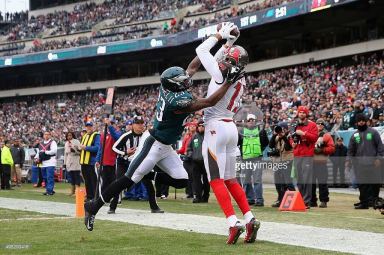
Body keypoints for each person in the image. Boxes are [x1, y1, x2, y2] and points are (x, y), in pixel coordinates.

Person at [84, 46, 244, 232]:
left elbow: (191, 68)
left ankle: (148, 174)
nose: (186, 82)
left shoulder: (170, 87)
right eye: (182, 81)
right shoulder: (176, 102)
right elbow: (209, 102)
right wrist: (228, 82)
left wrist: (212, 45)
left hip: (166, 146)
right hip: (153, 143)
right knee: (128, 180)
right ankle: (92, 207)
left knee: (182, 180)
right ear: (174, 84)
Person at [196, 22, 260, 244]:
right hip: (231, 127)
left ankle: (233, 223)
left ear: (228, 60)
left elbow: (201, 51)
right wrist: (229, 42)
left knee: (216, 180)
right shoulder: (240, 77)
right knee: (231, 179)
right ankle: (249, 218)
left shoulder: (220, 73)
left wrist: (218, 35)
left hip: (215, 127)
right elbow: (224, 58)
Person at [112, 116, 163, 213]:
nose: (140, 125)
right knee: (118, 184)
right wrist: (125, 152)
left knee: (149, 185)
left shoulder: (147, 136)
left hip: (140, 163)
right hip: (125, 162)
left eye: (141, 123)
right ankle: (112, 206)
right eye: (138, 123)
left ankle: (154, 207)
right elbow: (114, 147)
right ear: (133, 125)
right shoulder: (125, 136)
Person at [347, 113, 384, 209]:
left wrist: (378, 158)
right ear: (357, 122)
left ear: (366, 121)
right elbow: (350, 150)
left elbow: (380, 147)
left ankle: (375, 201)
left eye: (363, 120)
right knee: (362, 184)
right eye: (359, 121)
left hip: (373, 163)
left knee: (374, 183)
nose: (361, 122)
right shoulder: (354, 135)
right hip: (360, 164)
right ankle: (364, 202)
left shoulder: (373, 132)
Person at [290, 106, 318, 209]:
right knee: (300, 179)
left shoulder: (312, 125)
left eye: (303, 112)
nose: (301, 114)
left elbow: (314, 138)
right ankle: (301, 200)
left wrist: (304, 133)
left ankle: (306, 201)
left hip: (307, 155)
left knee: (307, 178)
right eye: (300, 112)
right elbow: (291, 137)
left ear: (306, 114)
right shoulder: (294, 124)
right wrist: (292, 143)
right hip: (297, 154)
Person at [239, 113, 269, 207]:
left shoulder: (261, 131)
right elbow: (237, 143)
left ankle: (259, 200)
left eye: (253, 120)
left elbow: (265, 143)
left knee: (257, 180)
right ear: (246, 122)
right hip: (245, 159)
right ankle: (250, 198)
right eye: (249, 120)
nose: (251, 122)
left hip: (257, 159)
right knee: (246, 180)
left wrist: (259, 151)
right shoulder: (241, 132)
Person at [268, 122, 295, 208]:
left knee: (288, 182)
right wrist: (274, 135)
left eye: (282, 129)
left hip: (287, 161)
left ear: (286, 129)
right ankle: (281, 199)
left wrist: (283, 137)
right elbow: (271, 145)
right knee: (278, 182)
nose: (281, 131)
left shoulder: (290, 136)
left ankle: (294, 200)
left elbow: (288, 147)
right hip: (279, 162)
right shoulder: (277, 137)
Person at [95, 118, 119, 213]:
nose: (111, 125)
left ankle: (114, 202)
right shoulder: (102, 135)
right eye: (110, 124)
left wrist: (109, 125)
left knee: (115, 183)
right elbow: (101, 149)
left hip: (113, 162)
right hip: (105, 163)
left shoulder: (117, 133)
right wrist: (98, 159)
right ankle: (103, 199)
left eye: (112, 124)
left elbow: (116, 137)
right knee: (105, 183)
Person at [311, 118, 335, 208]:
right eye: (318, 123)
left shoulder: (326, 136)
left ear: (324, 125)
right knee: (311, 183)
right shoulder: (311, 135)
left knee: (322, 182)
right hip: (311, 162)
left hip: (321, 162)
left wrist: (322, 149)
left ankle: (324, 200)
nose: (320, 125)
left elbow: (332, 148)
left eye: (321, 124)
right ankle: (312, 200)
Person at [187, 120, 210, 203]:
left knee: (206, 180)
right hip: (195, 161)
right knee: (196, 180)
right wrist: (190, 155)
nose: (201, 127)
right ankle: (198, 197)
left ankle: (206, 196)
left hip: (206, 161)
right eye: (199, 126)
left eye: (202, 126)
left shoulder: (209, 136)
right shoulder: (194, 137)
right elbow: (189, 148)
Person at [79, 121, 101, 201]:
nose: (88, 128)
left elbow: (98, 148)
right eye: (87, 126)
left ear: (93, 127)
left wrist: (86, 148)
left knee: (93, 180)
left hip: (92, 162)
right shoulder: (84, 136)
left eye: (90, 126)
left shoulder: (96, 136)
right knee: (87, 181)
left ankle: (96, 197)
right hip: (84, 162)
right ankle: (89, 196)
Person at [34, 131, 57, 196]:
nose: (46, 136)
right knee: (45, 177)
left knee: (49, 177)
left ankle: (49, 191)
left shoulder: (53, 142)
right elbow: (38, 153)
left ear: (50, 135)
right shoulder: (41, 143)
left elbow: (54, 151)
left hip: (50, 161)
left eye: (48, 134)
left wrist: (45, 152)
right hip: (43, 162)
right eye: (45, 134)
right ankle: (49, 190)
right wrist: (36, 158)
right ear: (43, 135)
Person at [178, 122, 197, 199]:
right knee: (187, 176)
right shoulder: (186, 136)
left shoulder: (196, 136)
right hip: (186, 158)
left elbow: (196, 148)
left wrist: (190, 152)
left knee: (194, 176)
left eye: (194, 126)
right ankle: (189, 193)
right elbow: (183, 148)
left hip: (193, 158)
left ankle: (195, 192)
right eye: (190, 126)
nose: (192, 127)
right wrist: (177, 151)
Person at [64, 132, 81, 196]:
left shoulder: (76, 141)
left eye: (70, 135)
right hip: (69, 160)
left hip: (76, 160)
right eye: (68, 135)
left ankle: (77, 192)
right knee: (71, 177)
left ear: (73, 135)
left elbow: (80, 152)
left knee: (76, 176)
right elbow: (65, 154)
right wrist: (64, 163)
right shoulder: (66, 143)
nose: (69, 136)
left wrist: (75, 151)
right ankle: (72, 191)